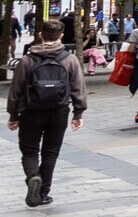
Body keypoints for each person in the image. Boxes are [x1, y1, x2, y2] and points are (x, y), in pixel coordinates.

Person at [7, 19, 86, 208]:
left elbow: (15, 90)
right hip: (58, 111)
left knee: (29, 150)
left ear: (40, 35)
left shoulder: (27, 60)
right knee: (50, 153)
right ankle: (42, 193)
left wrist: (13, 115)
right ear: (61, 36)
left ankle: (33, 176)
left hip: (31, 111)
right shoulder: (69, 59)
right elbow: (78, 87)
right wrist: (78, 113)